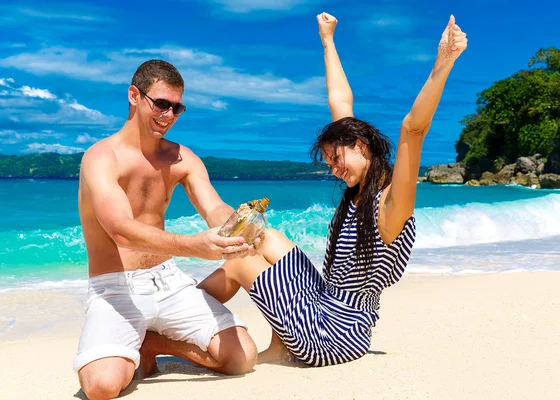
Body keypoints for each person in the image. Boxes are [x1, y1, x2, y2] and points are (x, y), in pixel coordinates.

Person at [198, 12, 468, 366]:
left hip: (336, 335)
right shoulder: (358, 194)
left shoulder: (390, 205)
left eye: (336, 158)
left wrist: (443, 62)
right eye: (328, 163)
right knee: (266, 237)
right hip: (325, 305)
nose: (334, 169)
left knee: (238, 262)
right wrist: (328, 40)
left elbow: (412, 130)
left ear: (362, 145)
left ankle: (179, 315)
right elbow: (339, 102)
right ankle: (271, 342)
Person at [74, 59, 258, 400]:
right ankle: (133, 347)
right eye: (161, 104)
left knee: (242, 358)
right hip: (116, 290)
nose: (169, 115)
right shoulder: (101, 158)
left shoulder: (181, 157)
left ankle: (152, 342)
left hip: (169, 282)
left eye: (177, 108)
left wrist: (239, 226)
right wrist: (195, 246)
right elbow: (120, 229)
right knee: (101, 387)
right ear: (134, 95)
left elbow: (213, 208)